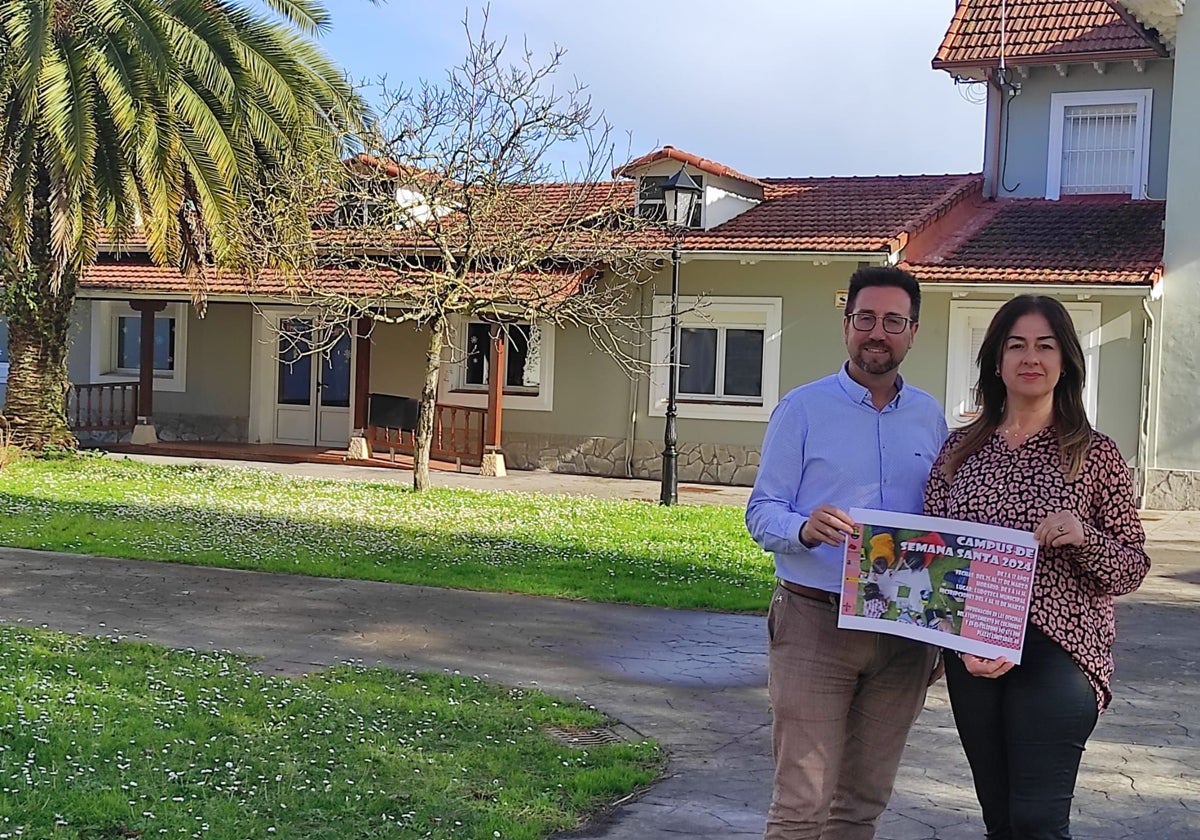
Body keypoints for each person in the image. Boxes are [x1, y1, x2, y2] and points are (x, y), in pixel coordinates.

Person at [923, 295, 1150, 840]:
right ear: (996, 362)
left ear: (1066, 360)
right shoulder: (958, 451)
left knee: (1037, 821)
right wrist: (957, 643)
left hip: (1062, 649)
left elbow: (1132, 566)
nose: (1031, 357)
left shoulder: (1094, 454)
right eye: (1016, 345)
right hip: (973, 649)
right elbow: (930, 556)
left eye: (1045, 346)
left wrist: (1084, 536)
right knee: (1000, 819)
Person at [746, 265, 948, 839]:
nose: (876, 332)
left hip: (904, 627)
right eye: (865, 319)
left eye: (892, 320)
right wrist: (803, 529)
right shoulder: (802, 409)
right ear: (846, 325)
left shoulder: (929, 417)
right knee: (801, 804)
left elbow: (941, 525)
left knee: (862, 804)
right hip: (815, 621)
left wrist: (940, 632)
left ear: (913, 331)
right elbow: (761, 511)